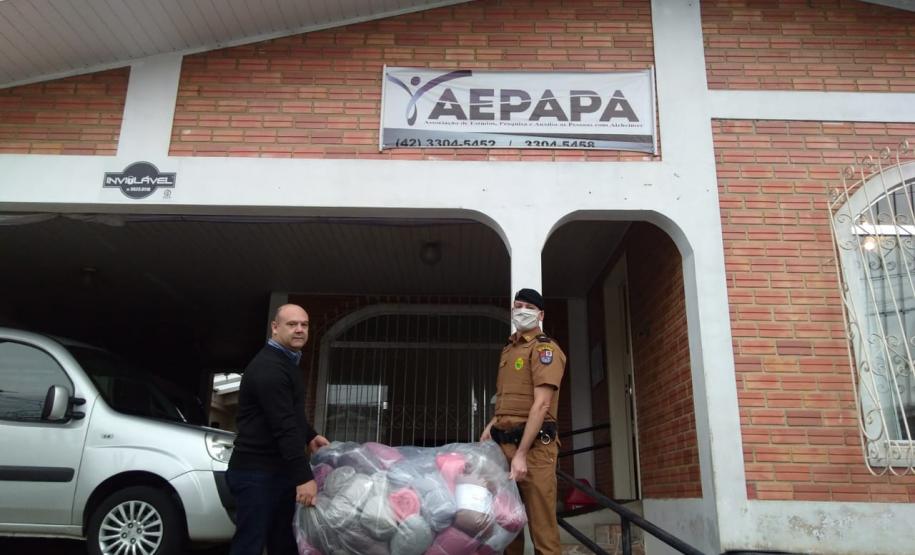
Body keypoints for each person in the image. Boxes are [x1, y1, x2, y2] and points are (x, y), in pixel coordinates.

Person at [227, 303, 330, 555]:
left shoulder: (285, 363)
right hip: (256, 473)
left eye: (304, 325)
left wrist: (310, 435)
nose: (299, 330)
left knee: (283, 543)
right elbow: (283, 425)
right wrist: (303, 476)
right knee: (249, 545)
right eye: (291, 324)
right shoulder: (269, 368)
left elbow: (289, 414)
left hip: (276, 472)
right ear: (275, 328)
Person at [481, 288, 566, 555]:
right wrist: (489, 427)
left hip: (534, 451)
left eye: (528, 307)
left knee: (543, 531)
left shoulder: (544, 349)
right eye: (517, 305)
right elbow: (508, 399)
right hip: (503, 447)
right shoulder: (509, 349)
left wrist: (521, 454)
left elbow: (541, 404)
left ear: (540, 314)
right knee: (508, 523)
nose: (522, 311)